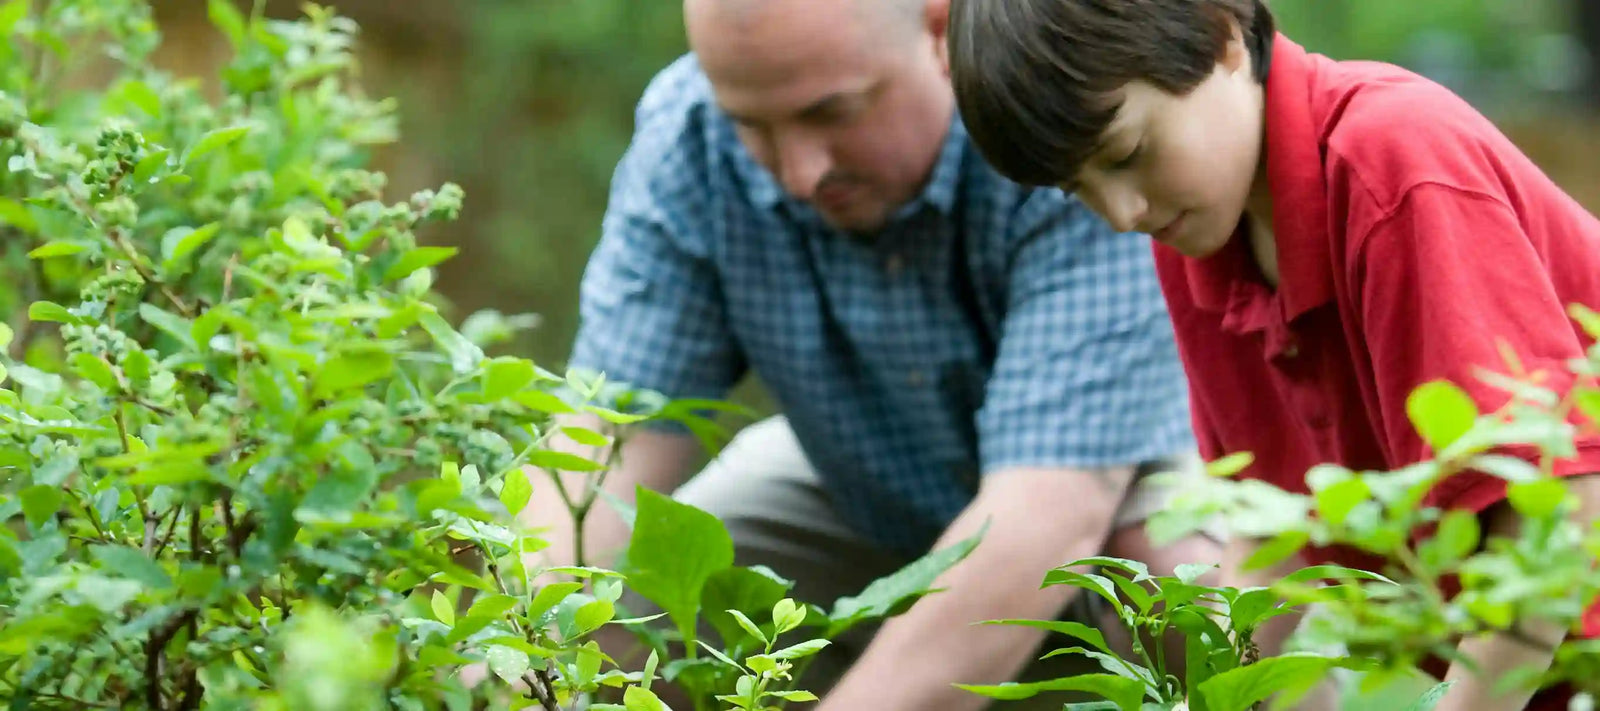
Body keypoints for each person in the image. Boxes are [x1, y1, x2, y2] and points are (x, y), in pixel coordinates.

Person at [508, 0, 1223, 708]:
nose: (797, 172)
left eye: (832, 112)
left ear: (940, 30)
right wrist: (503, 656)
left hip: (1115, 470)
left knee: (1180, 588)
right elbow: (603, 440)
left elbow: (1046, 512)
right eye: (751, 125)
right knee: (634, 605)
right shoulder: (690, 135)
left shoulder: (1052, 120)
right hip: (863, 477)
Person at [944, 1, 1600, 709]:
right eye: (1079, 189)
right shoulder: (1198, 241)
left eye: (1128, 153)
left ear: (1221, 36)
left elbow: (1558, 513)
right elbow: (1275, 537)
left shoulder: (1392, 163)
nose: (1122, 214)